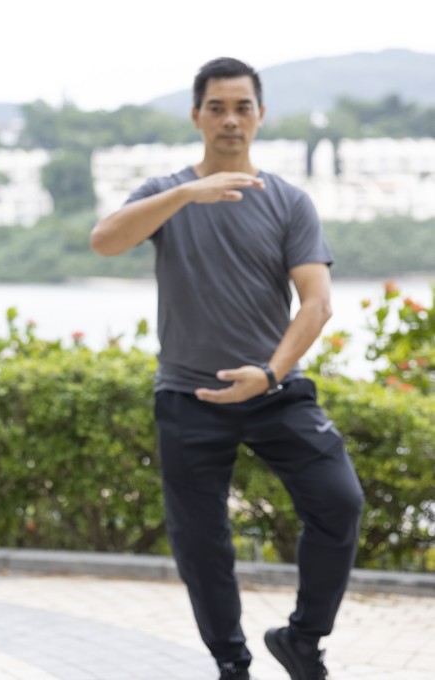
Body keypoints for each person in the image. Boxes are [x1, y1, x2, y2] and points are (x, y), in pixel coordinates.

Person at [89, 57, 363, 680]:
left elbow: (316, 303)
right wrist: (184, 193)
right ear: (197, 116)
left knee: (339, 503)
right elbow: (104, 241)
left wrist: (268, 374)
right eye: (217, 107)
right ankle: (232, 665)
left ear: (260, 115)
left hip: (274, 390)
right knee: (201, 542)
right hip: (187, 395)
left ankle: (302, 640)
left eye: (242, 107)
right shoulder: (166, 192)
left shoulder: (290, 202)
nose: (230, 119)